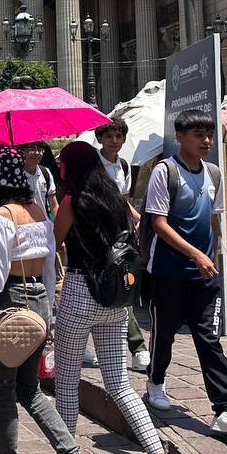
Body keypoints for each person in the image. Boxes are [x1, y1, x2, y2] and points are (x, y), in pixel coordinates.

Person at [0, 146, 104, 454]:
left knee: (3, 392)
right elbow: (48, 268)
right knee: (31, 389)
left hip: (11, 303)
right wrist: (50, 316)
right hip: (39, 303)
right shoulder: (40, 213)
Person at [48, 141, 180, 454]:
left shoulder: (72, 202)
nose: (58, 166)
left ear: (71, 168)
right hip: (115, 301)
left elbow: (53, 244)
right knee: (120, 385)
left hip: (79, 294)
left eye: (62, 163)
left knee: (68, 382)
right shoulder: (117, 202)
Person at [143, 109, 227, 438]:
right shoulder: (165, 172)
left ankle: (224, 409)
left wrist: (215, 257)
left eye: (209, 135)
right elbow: (159, 224)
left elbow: (213, 221)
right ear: (180, 138)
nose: (206, 141)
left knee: (208, 338)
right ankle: (155, 381)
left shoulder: (215, 175)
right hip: (168, 272)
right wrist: (194, 254)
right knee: (164, 335)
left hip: (204, 275)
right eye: (198, 135)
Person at [94, 119, 151, 373]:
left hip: (119, 235)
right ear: (100, 139)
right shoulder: (93, 164)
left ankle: (136, 347)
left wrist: (139, 220)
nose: (114, 141)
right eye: (109, 136)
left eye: (118, 136)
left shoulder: (124, 165)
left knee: (121, 287)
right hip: (96, 235)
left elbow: (123, 199)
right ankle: (134, 346)